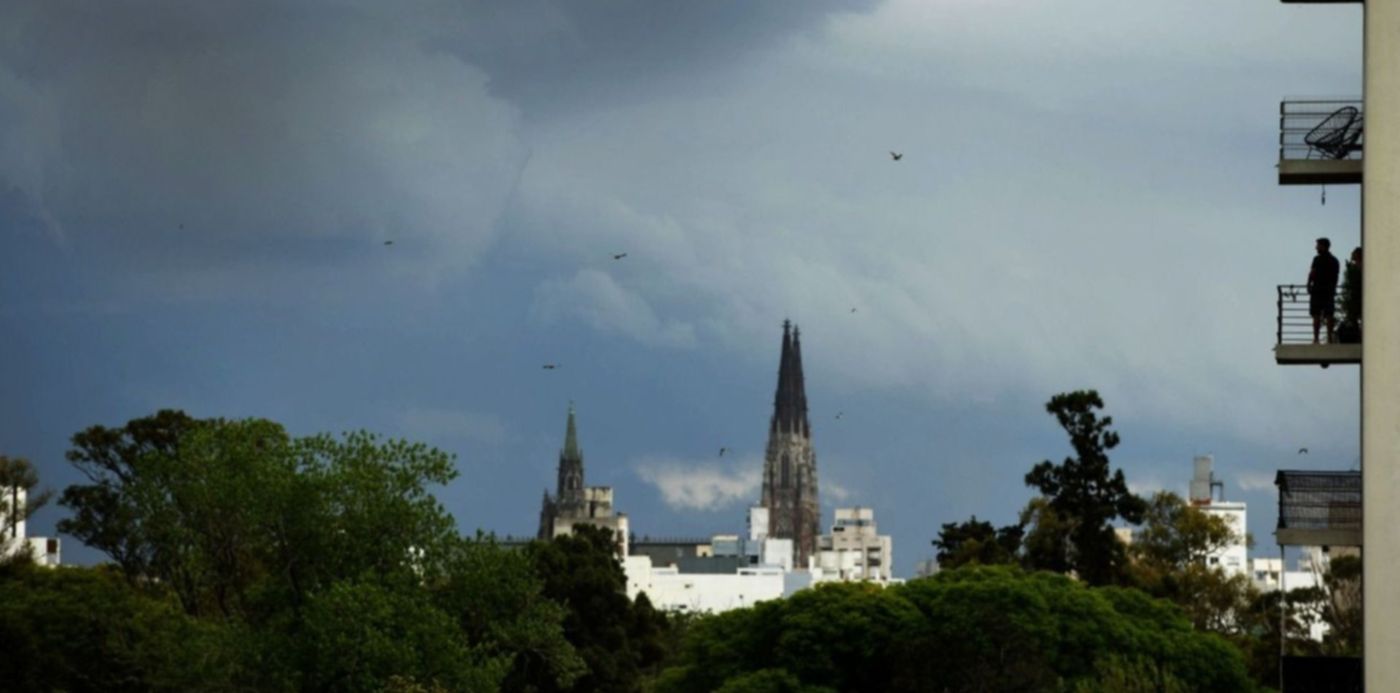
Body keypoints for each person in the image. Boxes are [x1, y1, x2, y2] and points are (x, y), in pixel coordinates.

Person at [1309, 237, 1341, 343]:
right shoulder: (1334, 260)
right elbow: (1336, 277)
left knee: (1316, 315)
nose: (1316, 247)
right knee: (1329, 314)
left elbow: (1312, 273)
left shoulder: (1317, 259)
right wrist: (1334, 288)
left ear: (1323, 246)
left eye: (1318, 245)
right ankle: (1330, 338)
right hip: (1329, 290)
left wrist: (1308, 284)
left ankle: (1316, 338)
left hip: (1318, 289)